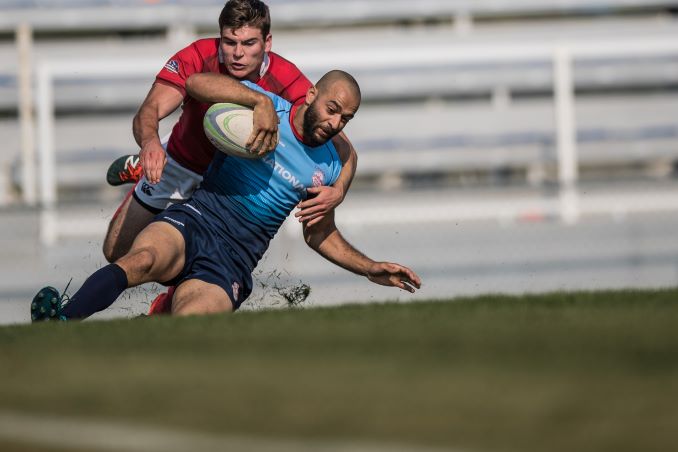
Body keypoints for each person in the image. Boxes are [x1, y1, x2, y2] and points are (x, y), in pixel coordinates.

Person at [30, 71, 420, 320]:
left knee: (193, 323)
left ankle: (159, 318)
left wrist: (369, 267)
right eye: (332, 109)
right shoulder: (262, 109)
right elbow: (196, 84)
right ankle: (63, 321)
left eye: (345, 119)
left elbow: (318, 233)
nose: (335, 123)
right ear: (312, 93)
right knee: (143, 258)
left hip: (233, 262)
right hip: (196, 220)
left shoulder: (330, 167)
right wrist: (259, 101)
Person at [102, 0, 358, 312]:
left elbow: (345, 146)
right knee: (117, 253)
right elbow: (151, 109)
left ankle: (167, 304)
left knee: (188, 261)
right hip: (180, 164)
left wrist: (340, 189)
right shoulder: (198, 55)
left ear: (267, 43)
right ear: (220, 37)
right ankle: (142, 166)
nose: (237, 53)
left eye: (248, 43)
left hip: (227, 185)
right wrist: (150, 143)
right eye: (230, 42)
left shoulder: (287, 78)